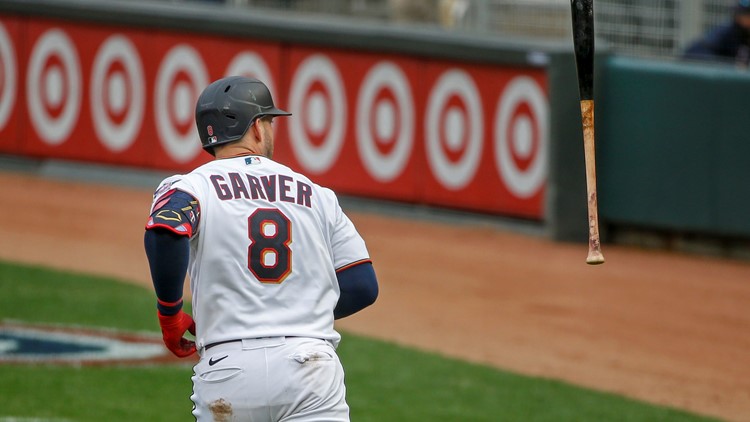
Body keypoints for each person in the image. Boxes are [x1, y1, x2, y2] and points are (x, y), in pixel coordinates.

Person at [143, 76, 378, 421]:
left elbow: (167, 228)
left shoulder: (191, 186)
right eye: (269, 120)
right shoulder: (316, 193)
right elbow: (362, 285)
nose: (270, 129)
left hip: (230, 371)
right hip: (310, 368)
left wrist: (169, 314)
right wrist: (296, 311)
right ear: (255, 128)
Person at [682, 0, 750, 67]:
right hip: (699, 54)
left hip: (709, 57)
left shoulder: (743, 32)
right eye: (742, 14)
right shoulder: (732, 30)